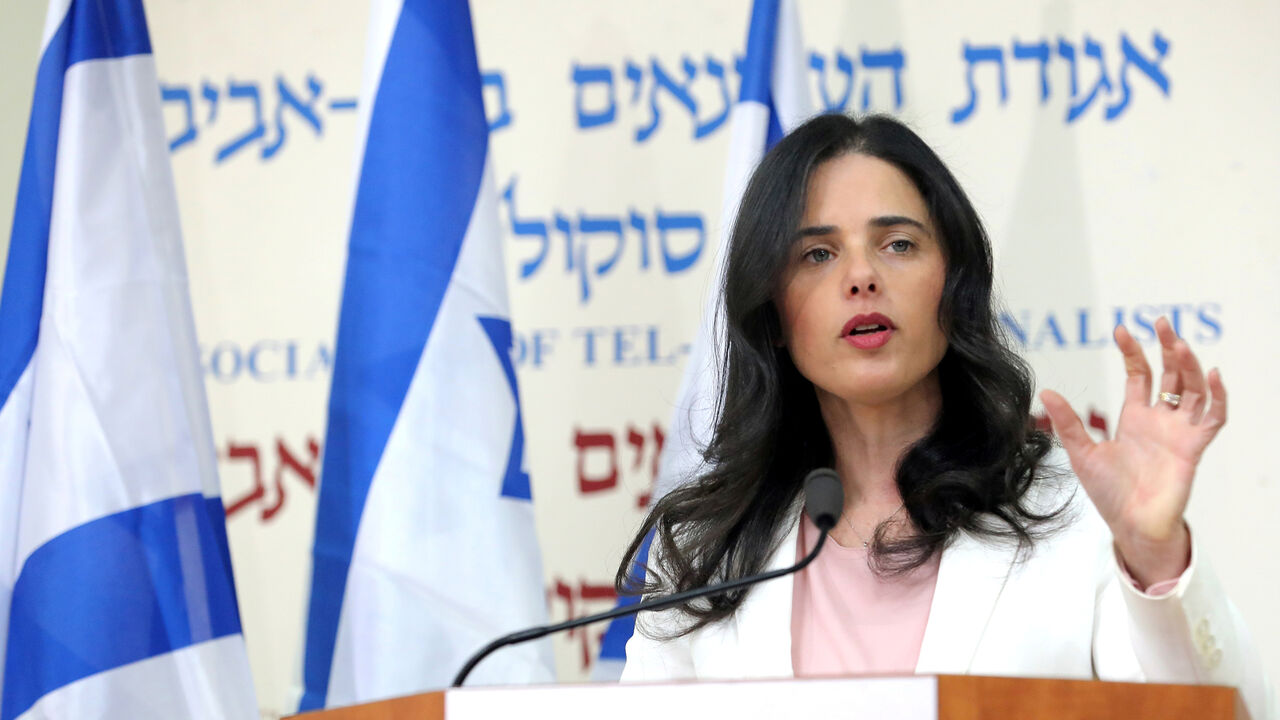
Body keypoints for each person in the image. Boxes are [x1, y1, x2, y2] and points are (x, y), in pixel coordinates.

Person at [615, 113, 1272, 719]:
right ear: (774, 313)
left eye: (897, 244)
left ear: (953, 285)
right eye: (818, 253)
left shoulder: (1074, 515)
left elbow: (1214, 712)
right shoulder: (705, 548)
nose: (861, 276)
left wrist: (1155, 556)